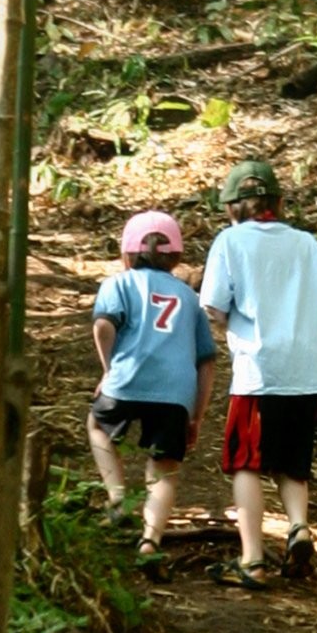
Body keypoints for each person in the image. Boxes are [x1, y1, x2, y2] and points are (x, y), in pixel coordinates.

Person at [201, 158, 317, 587]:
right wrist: (307, 315)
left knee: (245, 463)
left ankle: (252, 560)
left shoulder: (230, 242)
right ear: (278, 202)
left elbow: (213, 305)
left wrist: (234, 321)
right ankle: (299, 530)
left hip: (259, 369)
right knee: (292, 462)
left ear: (232, 207)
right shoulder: (305, 243)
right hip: (308, 368)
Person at [87, 210, 217, 573]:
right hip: (175, 393)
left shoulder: (118, 284)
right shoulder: (190, 299)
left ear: (127, 253)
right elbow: (207, 362)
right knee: (164, 467)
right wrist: (196, 415)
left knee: (98, 426)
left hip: (125, 380)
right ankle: (150, 541)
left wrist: (108, 369)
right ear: (175, 258)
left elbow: (102, 326)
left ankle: (117, 499)